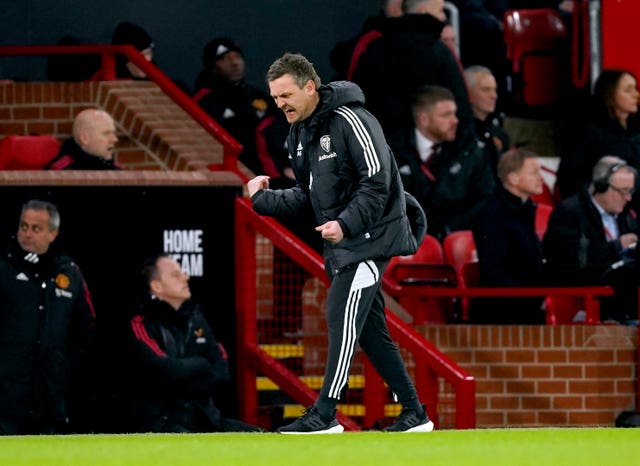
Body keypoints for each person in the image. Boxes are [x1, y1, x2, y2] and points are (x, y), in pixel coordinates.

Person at [248, 52, 432, 434]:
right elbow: (308, 194)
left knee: (339, 312)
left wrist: (344, 226)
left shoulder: (352, 118)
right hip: (345, 243)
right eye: (275, 97)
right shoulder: (298, 133)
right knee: (369, 330)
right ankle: (415, 413)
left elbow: (377, 181)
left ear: (310, 87)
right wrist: (264, 200)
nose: (279, 104)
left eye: (285, 95)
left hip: (372, 239)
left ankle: (325, 413)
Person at [124, 254, 265, 433]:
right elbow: (166, 371)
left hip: (204, 419)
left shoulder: (196, 318)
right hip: (161, 423)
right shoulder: (141, 324)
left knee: (260, 436)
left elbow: (221, 371)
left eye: (182, 272)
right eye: (175, 275)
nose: (185, 277)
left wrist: (184, 376)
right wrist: (202, 364)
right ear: (156, 286)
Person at [0, 200, 96, 435]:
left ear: (53, 234)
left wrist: (64, 368)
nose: (27, 234)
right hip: (6, 397)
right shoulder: (3, 266)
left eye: (36, 228)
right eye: (23, 226)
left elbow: (86, 324)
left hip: (49, 397)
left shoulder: (68, 272)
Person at [351, 0, 475, 142]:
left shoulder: (373, 49)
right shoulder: (440, 53)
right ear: (424, 11)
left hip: (381, 147)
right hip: (434, 151)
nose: (444, 18)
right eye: (440, 11)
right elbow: (462, 105)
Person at [389, 84, 495, 240]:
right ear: (423, 119)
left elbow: (485, 199)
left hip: (456, 237)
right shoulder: (391, 151)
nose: (455, 121)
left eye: (455, 114)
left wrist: (450, 229)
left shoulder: (470, 151)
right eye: (446, 115)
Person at [543, 156, 640, 324]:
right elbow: (573, 261)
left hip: (622, 301)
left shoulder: (626, 215)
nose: (628, 198)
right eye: (623, 191)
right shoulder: (569, 213)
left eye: (630, 191)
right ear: (600, 187)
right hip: (584, 302)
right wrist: (616, 247)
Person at [471, 148, 546, 324]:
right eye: (534, 173)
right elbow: (495, 271)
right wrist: (532, 299)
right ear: (513, 178)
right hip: (501, 314)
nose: (540, 178)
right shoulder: (491, 214)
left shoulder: (525, 210)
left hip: (527, 306)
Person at [193, 37, 274, 177]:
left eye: (237, 57)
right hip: (224, 173)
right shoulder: (203, 100)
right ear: (212, 66)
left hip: (265, 173)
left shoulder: (260, 97)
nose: (234, 63)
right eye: (225, 58)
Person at [556, 69, 640, 201]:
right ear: (610, 94)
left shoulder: (635, 131)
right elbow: (570, 179)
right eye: (628, 90)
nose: (636, 94)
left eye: (635, 88)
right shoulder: (589, 132)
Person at [464, 65, 511, 178]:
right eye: (486, 90)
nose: (494, 96)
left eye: (495, 90)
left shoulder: (499, 134)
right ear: (468, 92)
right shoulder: (458, 133)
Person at [45, 108, 122, 170]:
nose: (115, 139)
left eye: (113, 133)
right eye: (106, 133)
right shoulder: (61, 174)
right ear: (84, 139)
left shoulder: (117, 170)